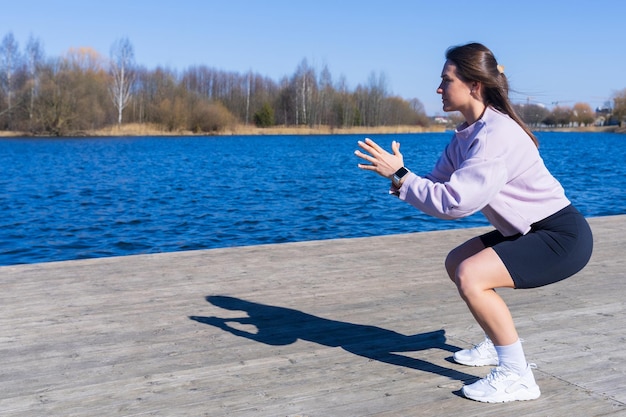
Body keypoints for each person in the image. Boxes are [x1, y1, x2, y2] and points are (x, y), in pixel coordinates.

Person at [354, 42, 593, 403]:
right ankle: (498, 343)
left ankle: (517, 375)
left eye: (445, 80)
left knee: (472, 275)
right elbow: (436, 186)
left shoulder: (495, 136)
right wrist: (400, 174)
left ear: (474, 86)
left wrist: (401, 175)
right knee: (457, 262)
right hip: (531, 230)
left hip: (561, 236)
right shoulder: (468, 133)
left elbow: (455, 203)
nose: (438, 89)